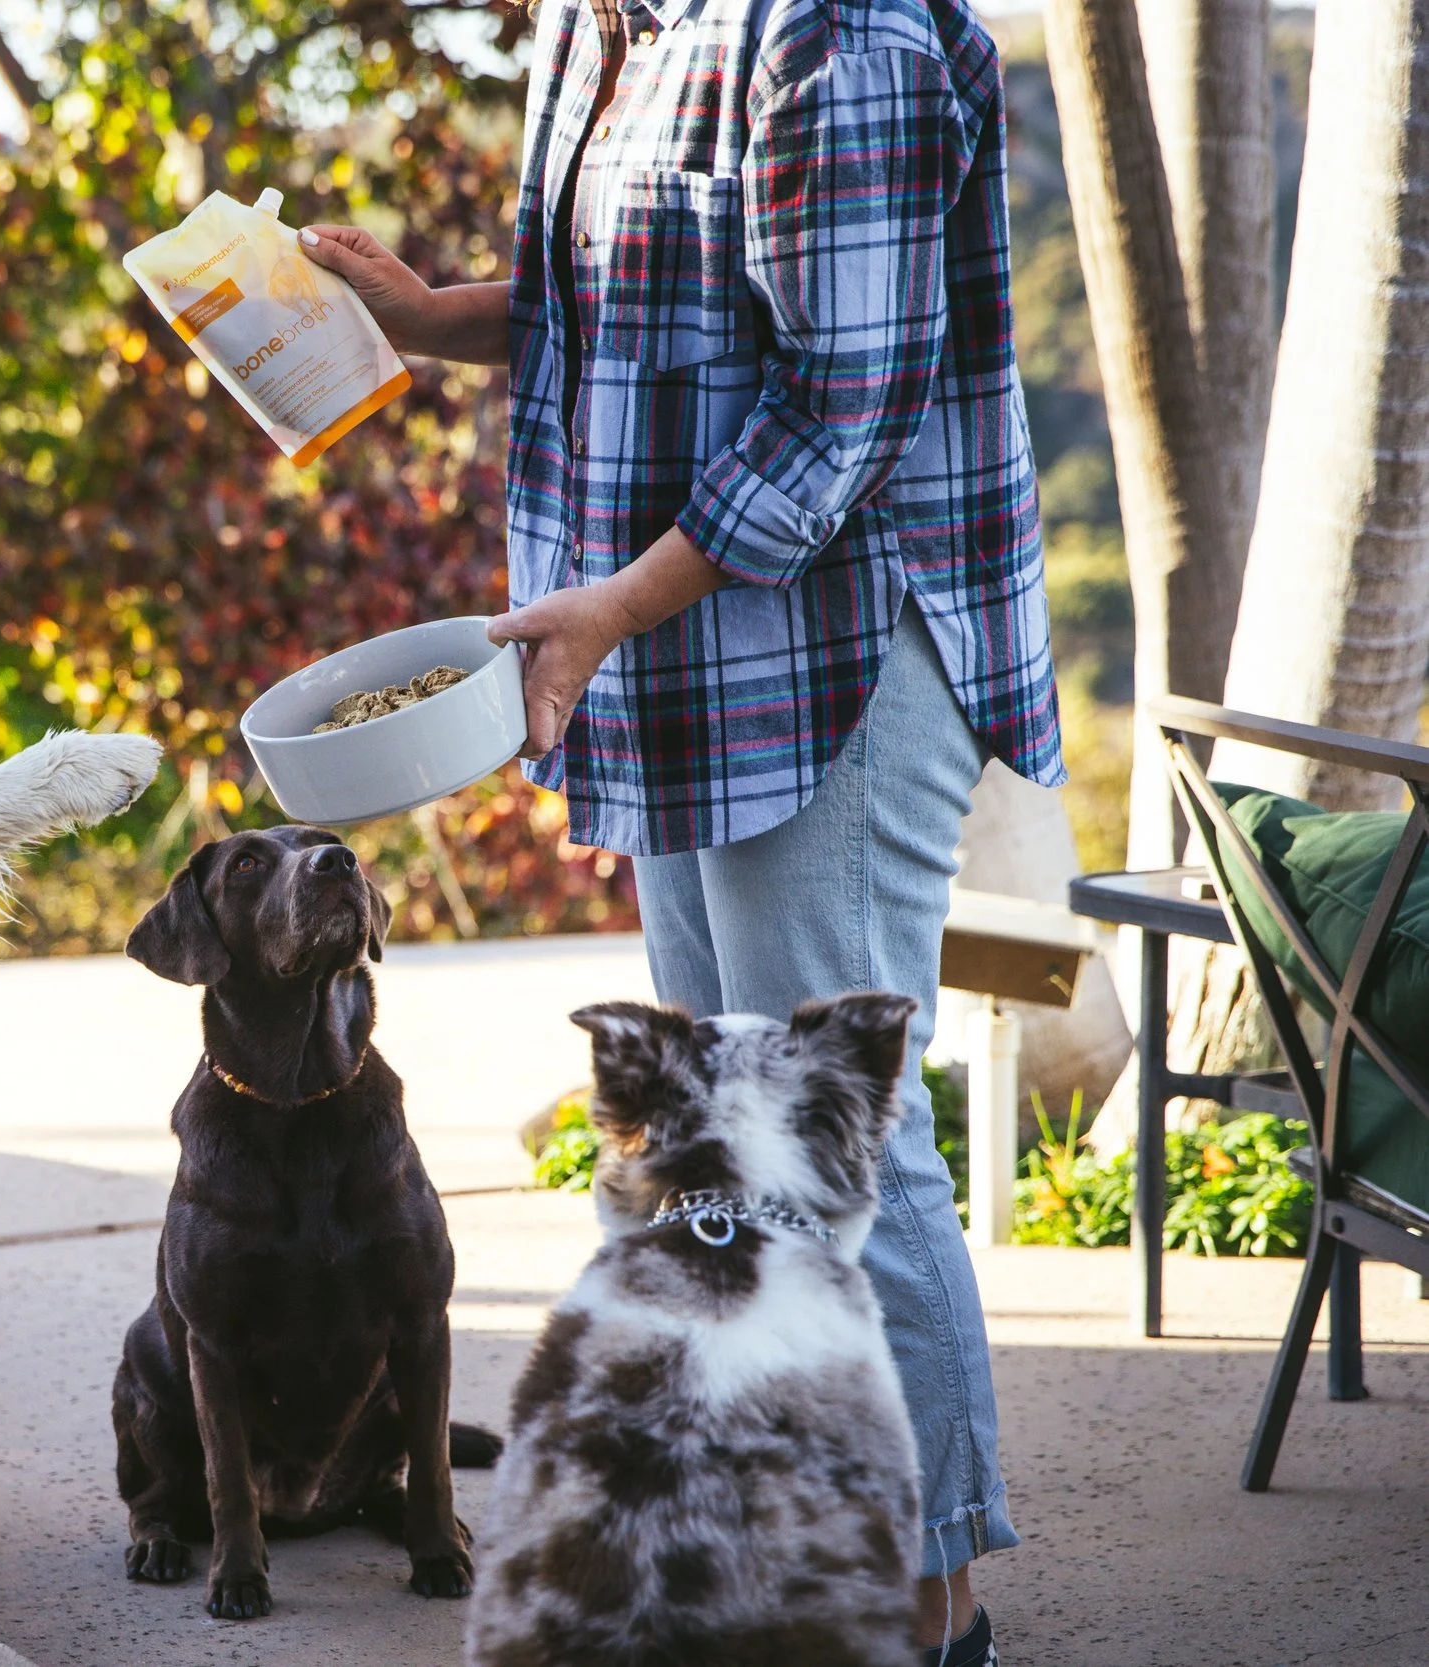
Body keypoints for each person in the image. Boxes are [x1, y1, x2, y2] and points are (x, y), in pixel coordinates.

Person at [301, 0, 1059, 1658]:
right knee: (708, 1148)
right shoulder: (608, 23)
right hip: (681, 649)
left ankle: (931, 1612)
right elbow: (637, 305)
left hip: (838, 655)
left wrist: (607, 609)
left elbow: (842, 407)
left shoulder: (833, 36)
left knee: (830, 1144)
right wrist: (437, 318)